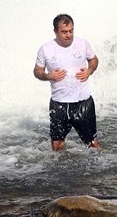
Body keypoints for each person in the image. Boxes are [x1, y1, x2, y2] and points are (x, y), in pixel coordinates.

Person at [33, 13, 101, 151]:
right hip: (59, 104)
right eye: (64, 32)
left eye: (71, 31)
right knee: (57, 147)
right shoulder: (45, 49)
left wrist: (89, 70)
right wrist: (48, 76)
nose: (68, 35)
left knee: (93, 145)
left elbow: (94, 60)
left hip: (83, 102)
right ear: (55, 31)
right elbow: (37, 71)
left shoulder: (82, 43)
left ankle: (99, 165)